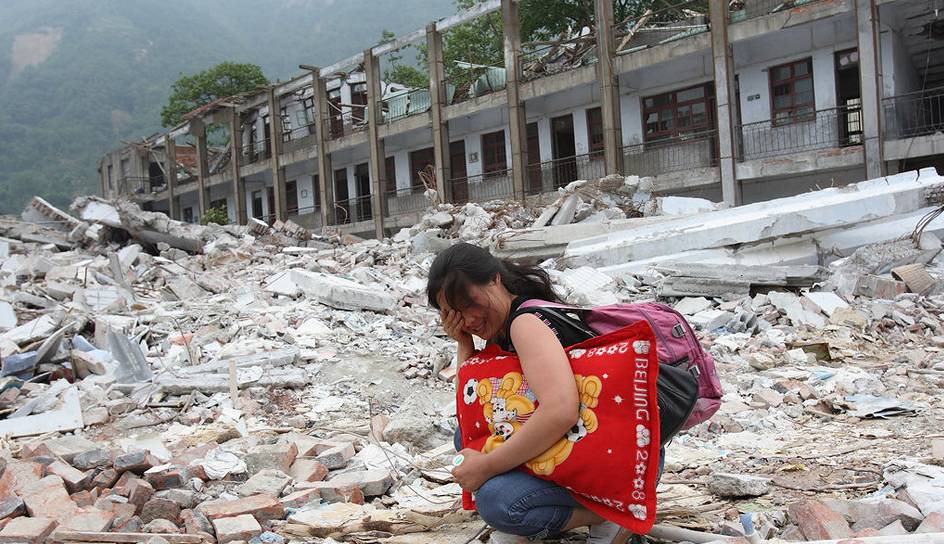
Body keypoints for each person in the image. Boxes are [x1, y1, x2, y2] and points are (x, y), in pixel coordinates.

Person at [427, 243, 666, 544]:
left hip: (625, 462)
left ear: (495, 280)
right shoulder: (502, 327)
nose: (469, 319)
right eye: (455, 313)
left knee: (499, 503)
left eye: (470, 303)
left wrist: (487, 466)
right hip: (597, 452)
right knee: (467, 438)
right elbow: (472, 410)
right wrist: (464, 344)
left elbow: (561, 410)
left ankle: (611, 515)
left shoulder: (525, 324)